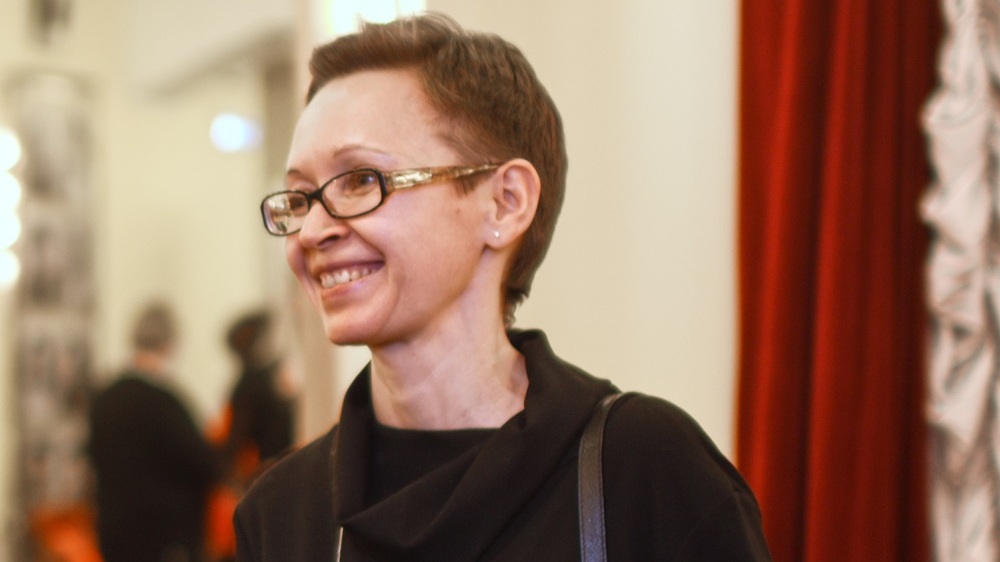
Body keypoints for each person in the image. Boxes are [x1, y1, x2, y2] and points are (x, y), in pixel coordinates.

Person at [236, 13, 772, 561]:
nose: (313, 231)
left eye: (359, 180)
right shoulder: (282, 513)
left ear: (505, 202)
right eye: (299, 198)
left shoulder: (642, 470)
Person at [88, 302, 221, 562]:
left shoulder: (104, 399)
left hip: (115, 536)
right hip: (164, 540)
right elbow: (205, 464)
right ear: (169, 345)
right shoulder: (165, 403)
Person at [219, 309, 295, 485]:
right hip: (274, 468)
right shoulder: (251, 384)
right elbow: (235, 441)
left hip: (280, 464)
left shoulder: (261, 378)